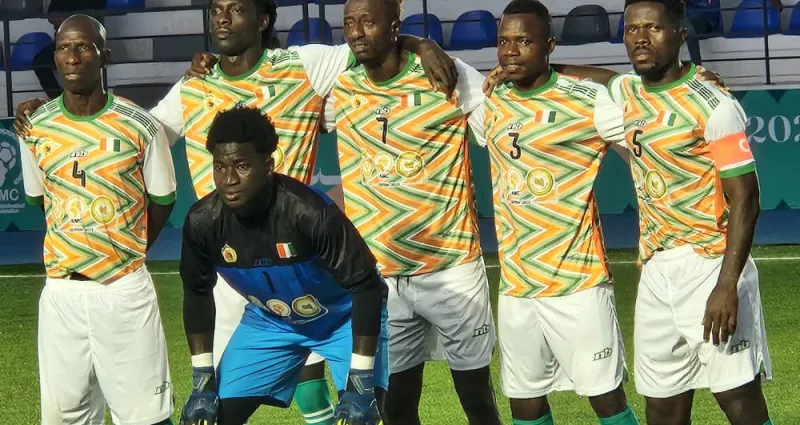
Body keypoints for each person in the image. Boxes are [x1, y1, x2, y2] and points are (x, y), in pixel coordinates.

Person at [14, 1, 456, 422]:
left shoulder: (303, 66)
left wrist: (421, 44)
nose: (222, 19)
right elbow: (135, 135)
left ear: (262, 20)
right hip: (231, 270)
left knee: (348, 399)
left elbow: (368, 42)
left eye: (236, 9)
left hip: (303, 261)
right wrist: (50, 118)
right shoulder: (194, 86)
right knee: (217, 408)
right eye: (216, 11)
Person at [324, 0, 501, 423]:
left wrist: (422, 47)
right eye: (349, 23)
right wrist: (418, 42)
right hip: (383, 275)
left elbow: (500, 124)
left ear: (393, 26)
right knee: (396, 405)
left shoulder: (446, 75)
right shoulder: (340, 88)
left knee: (477, 399)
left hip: (451, 268)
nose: (356, 32)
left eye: (368, 21)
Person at [469, 1, 639, 425]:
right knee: (525, 403)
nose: (510, 51)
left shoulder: (586, 101)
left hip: (577, 284)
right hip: (517, 287)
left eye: (524, 41)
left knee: (606, 399)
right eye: (503, 41)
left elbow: (624, 87)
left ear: (549, 45)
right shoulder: (490, 101)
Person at [610, 1, 774, 424]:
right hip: (655, 267)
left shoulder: (715, 105)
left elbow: (746, 199)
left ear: (680, 35)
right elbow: (595, 79)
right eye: (631, 29)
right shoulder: (624, 91)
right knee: (662, 403)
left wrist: (726, 285)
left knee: (737, 397)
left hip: (710, 264)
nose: (640, 38)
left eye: (653, 28)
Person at [178, 106, 388, 425]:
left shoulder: (310, 213)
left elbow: (367, 287)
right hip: (271, 323)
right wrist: (202, 381)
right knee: (210, 417)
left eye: (241, 166)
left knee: (364, 416)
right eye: (220, 167)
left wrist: (360, 382)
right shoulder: (203, 222)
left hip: (342, 320)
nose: (229, 179)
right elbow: (197, 293)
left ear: (268, 165)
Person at [17, 14, 176, 425]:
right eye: (63, 48)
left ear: (105, 55)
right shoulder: (35, 127)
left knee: (145, 417)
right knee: (65, 417)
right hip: (61, 296)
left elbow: (163, 200)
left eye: (83, 47)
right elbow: (40, 200)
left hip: (123, 291)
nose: (72, 56)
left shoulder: (140, 125)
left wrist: (128, 250)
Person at [33, 0, 106, 99]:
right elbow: (52, 16)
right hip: (65, 36)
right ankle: (58, 98)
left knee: (85, 60)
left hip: (87, 37)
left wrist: (73, 21)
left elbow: (96, 14)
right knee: (40, 61)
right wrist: (65, 22)